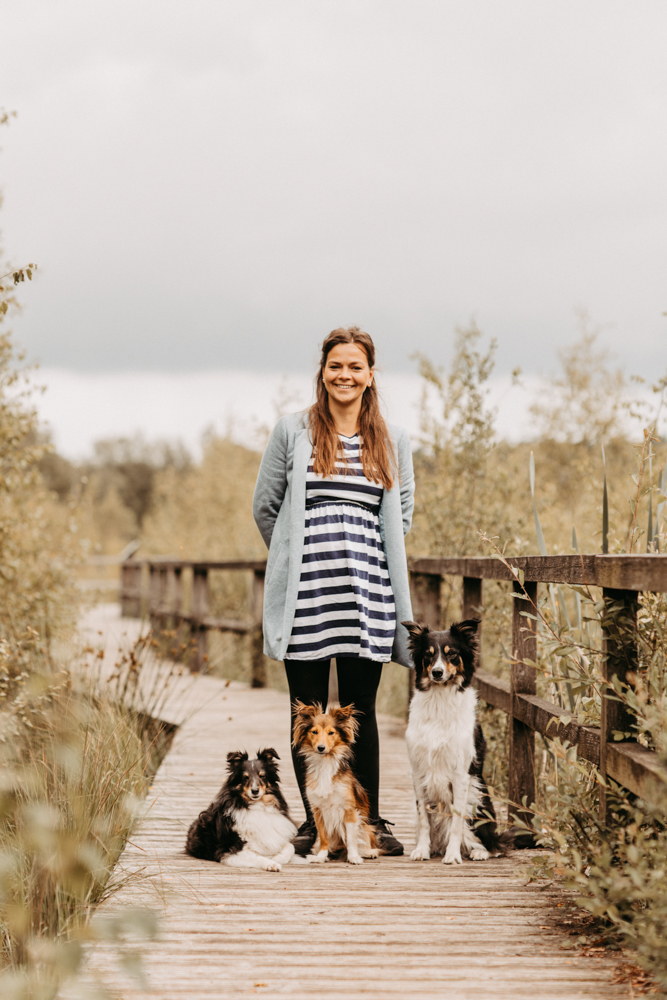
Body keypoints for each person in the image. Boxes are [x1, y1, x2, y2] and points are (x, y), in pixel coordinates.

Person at [252, 326, 415, 857]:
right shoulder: (292, 431)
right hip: (306, 594)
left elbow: (401, 515)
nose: (345, 375)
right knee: (307, 708)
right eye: (336, 366)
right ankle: (313, 824)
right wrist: (289, 557)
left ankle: (368, 821)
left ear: (371, 375)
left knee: (358, 707)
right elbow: (266, 507)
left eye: (356, 367)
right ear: (323, 371)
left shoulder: (391, 440)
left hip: (367, 593)